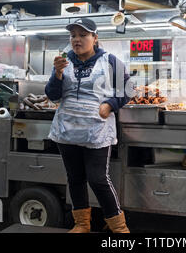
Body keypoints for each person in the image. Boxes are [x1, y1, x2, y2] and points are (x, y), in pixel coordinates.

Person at [45, 18, 131, 233]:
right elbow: (53, 95)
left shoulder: (110, 61)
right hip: (68, 130)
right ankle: (82, 224)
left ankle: (119, 228)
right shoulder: (63, 61)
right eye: (73, 35)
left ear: (95, 38)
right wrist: (56, 74)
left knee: (99, 180)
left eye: (83, 35)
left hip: (96, 131)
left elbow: (128, 89)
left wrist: (110, 105)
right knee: (75, 179)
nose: (77, 39)